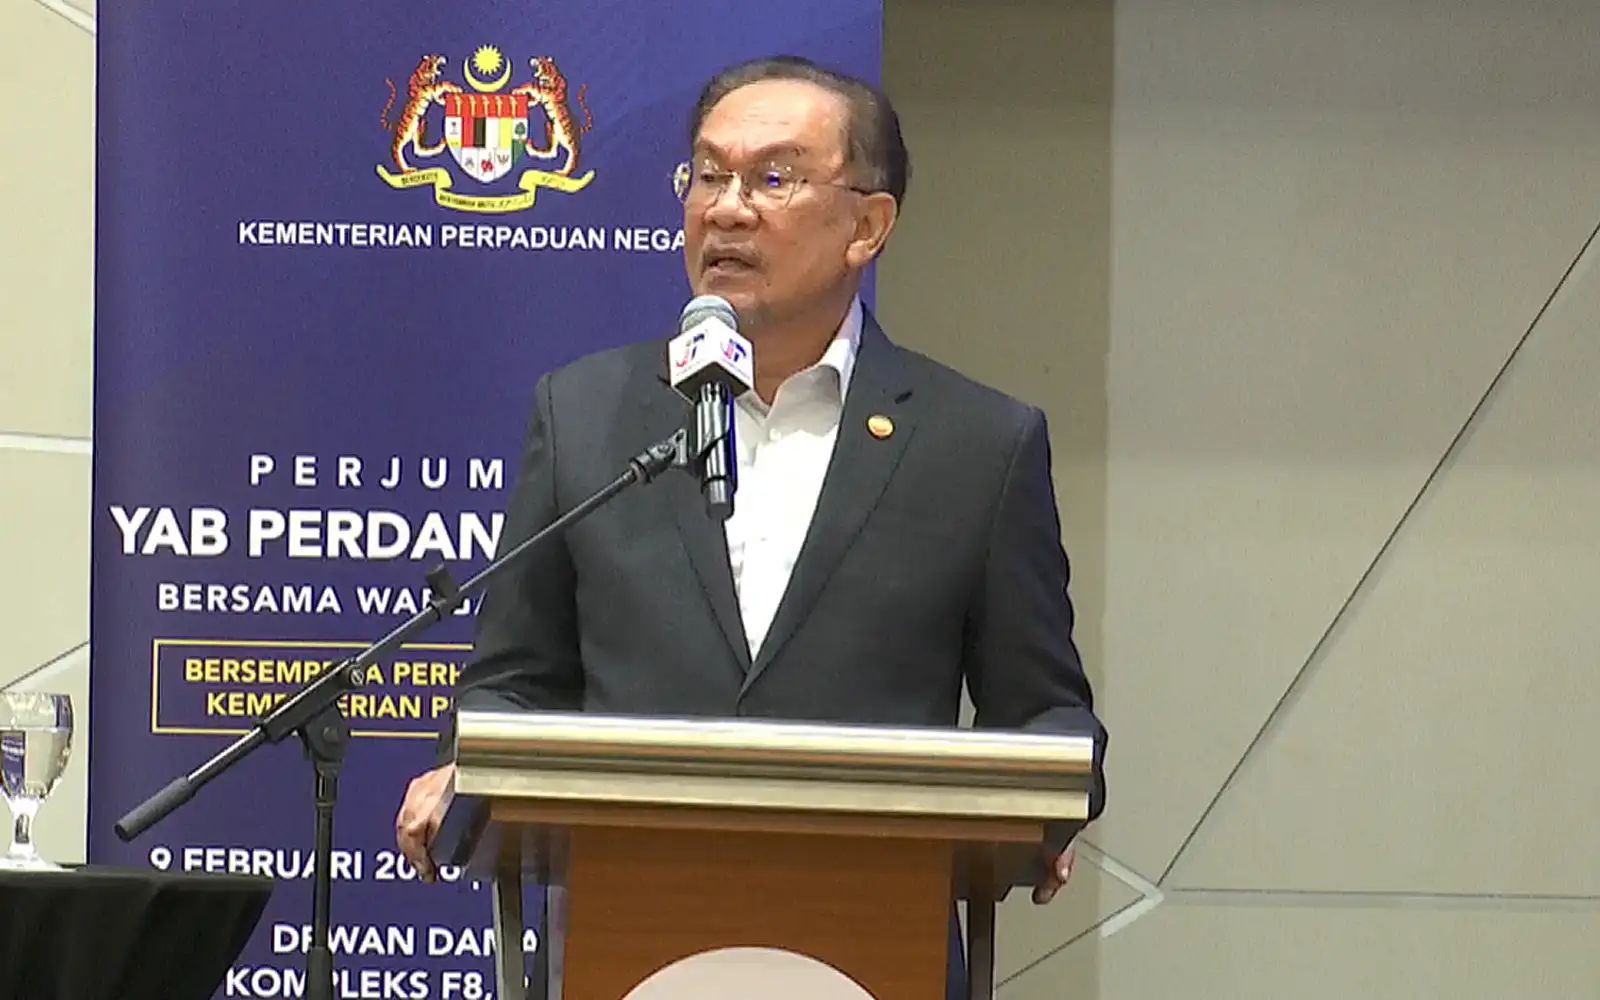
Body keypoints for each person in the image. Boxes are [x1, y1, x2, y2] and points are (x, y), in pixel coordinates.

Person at [397, 51, 1105, 944]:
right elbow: (513, 681)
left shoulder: (977, 445)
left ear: (868, 226)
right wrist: (466, 766)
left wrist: (1044, 804)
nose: (726, 208)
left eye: (773, 178)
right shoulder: (584, 414)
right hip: (628, 937)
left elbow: (1045, 708)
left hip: (873, 940)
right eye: (707, 174)